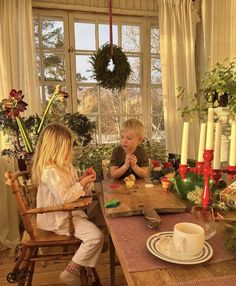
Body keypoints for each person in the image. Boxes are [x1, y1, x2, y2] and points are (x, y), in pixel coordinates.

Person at [31, 123, 104, 286]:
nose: (72, 151)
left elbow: (70, 188)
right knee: (95, 237)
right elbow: (64, 198)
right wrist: (82, 182)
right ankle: (70, 272)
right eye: (69, 147)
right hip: (59, 219)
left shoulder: (65, 167)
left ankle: (83, 267)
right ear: (56, 149)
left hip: (70, 214)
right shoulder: (50, 171)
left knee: (99, 219)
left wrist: (82, 180)